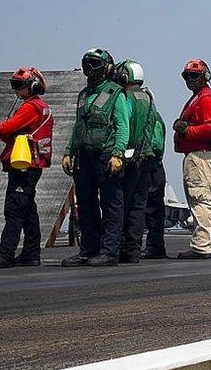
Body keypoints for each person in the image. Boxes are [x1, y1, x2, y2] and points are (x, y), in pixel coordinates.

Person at [61, 49, 129, 267]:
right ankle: (88, 250)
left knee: (111, 204)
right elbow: (78, 126)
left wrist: (118, 154)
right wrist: (69, 151)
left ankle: (110, 251)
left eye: (95, 63)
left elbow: (122, 126)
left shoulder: (115, 93)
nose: (90, 68)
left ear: (107, 66)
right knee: (87, 204)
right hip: (84, 157)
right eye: (87, 63)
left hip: (106, 155)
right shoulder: (83, 95)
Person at [0, 68, 53, 268]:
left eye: (19, 86)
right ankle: (31, 253)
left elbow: (5, 129)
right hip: (32, 165)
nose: (16, 90)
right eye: (14, 85)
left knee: (14, 209)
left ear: (34, 86)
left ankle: (4, 254)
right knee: (28, 209)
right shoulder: (41, 107)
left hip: (23, 165)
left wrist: (5, 129)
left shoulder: (31, 107)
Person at [173, 58, 211, 259]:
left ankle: (201, 245)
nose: (189, 79)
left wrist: (187, 129)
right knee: (207, 202)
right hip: (204, 156)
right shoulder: (200, 97)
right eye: (187, 76)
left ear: (204, 77)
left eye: (194, 75)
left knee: (200, 200)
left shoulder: (205, 98)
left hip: (201, 157)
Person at [113, 61, 162, 264]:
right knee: (139, 205)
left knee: (121, 203)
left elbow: (122, 126)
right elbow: (158, 132)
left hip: (128, 157)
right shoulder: (149, 99)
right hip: (148, 158)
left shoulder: (125, 98)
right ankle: (133, 250)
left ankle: (118, 248)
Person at [141, 112, 168, 259]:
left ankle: (154, 247)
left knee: (151, 207)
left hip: (150, 165)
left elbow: (156, 145)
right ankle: (154, 246)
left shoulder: (151, 117)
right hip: (154, 166)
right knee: (153, 208)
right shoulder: (155, 116)